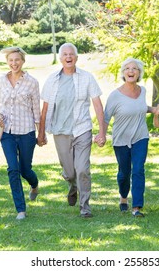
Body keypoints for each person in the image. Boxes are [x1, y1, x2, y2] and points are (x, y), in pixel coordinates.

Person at [38, 43, 106, 218]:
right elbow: (44, 109)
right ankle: (72, 185)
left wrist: (102, 132)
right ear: (60, 58)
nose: (68, 57)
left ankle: (85, 207)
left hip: (82, 129)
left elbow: (97, 105)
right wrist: (41, 132)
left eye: (72, 54)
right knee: (69, 172)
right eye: (65, 54)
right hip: (60, 131)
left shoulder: (86, 77)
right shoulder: (52, 80)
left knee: (82, 169)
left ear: (76, 57)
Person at [103, 57, 159, 218]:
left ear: (139, 73)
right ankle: (123, 197)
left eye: (135, 69)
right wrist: (102, 135)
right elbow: (106, 117)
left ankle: (137, 207)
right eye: (128, 68)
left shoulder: (142, 90)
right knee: (124, 173)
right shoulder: (115, 95)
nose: (131, 71)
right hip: (121, 139)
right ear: (123, 73)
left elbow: (142, 108)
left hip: (140, 136)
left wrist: (154, 110)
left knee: (138, 169)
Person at [0, 46, 41, 220]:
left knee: (24, 169)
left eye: (17, 60)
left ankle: (34, 185)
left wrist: (41, 133)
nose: (14, 63)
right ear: (7, 62)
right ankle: (20, 209)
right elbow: (3, 104)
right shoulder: (1, 80)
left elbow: (36, 110)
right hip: (7, 131)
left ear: (23, 61)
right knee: (13, 169)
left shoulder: (32, 82)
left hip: (26, 131)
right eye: (11, 60)